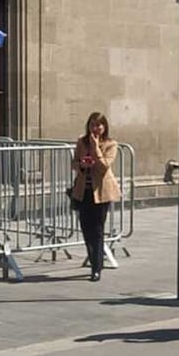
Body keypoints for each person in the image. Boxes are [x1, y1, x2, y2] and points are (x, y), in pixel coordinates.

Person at [70, 112, 120, 282]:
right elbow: (74, 162)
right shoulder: (81, 141)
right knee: (86, 228)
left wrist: (96, 147)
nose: (96, 128)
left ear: (104, 127)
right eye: (93, 125)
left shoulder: (110, 144)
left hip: (102, 192)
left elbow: (105, 165)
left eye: (99, 125)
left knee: (98, 230)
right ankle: (93, 260)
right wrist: (81, 164)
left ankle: (96, 268)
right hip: (84, 190)